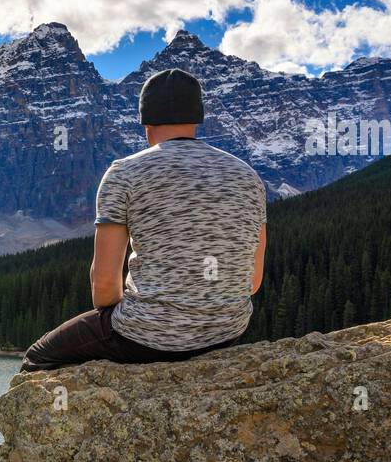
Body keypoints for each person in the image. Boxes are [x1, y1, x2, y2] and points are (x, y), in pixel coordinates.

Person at [20, 67, 266, 373]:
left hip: (147, 336)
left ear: (145, 121)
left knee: (37, 357)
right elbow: (253, 281)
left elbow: (104, 284)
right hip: (228, 331)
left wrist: (134, 318)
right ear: (197, 118)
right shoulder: (248, 176)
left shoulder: (125, 173)